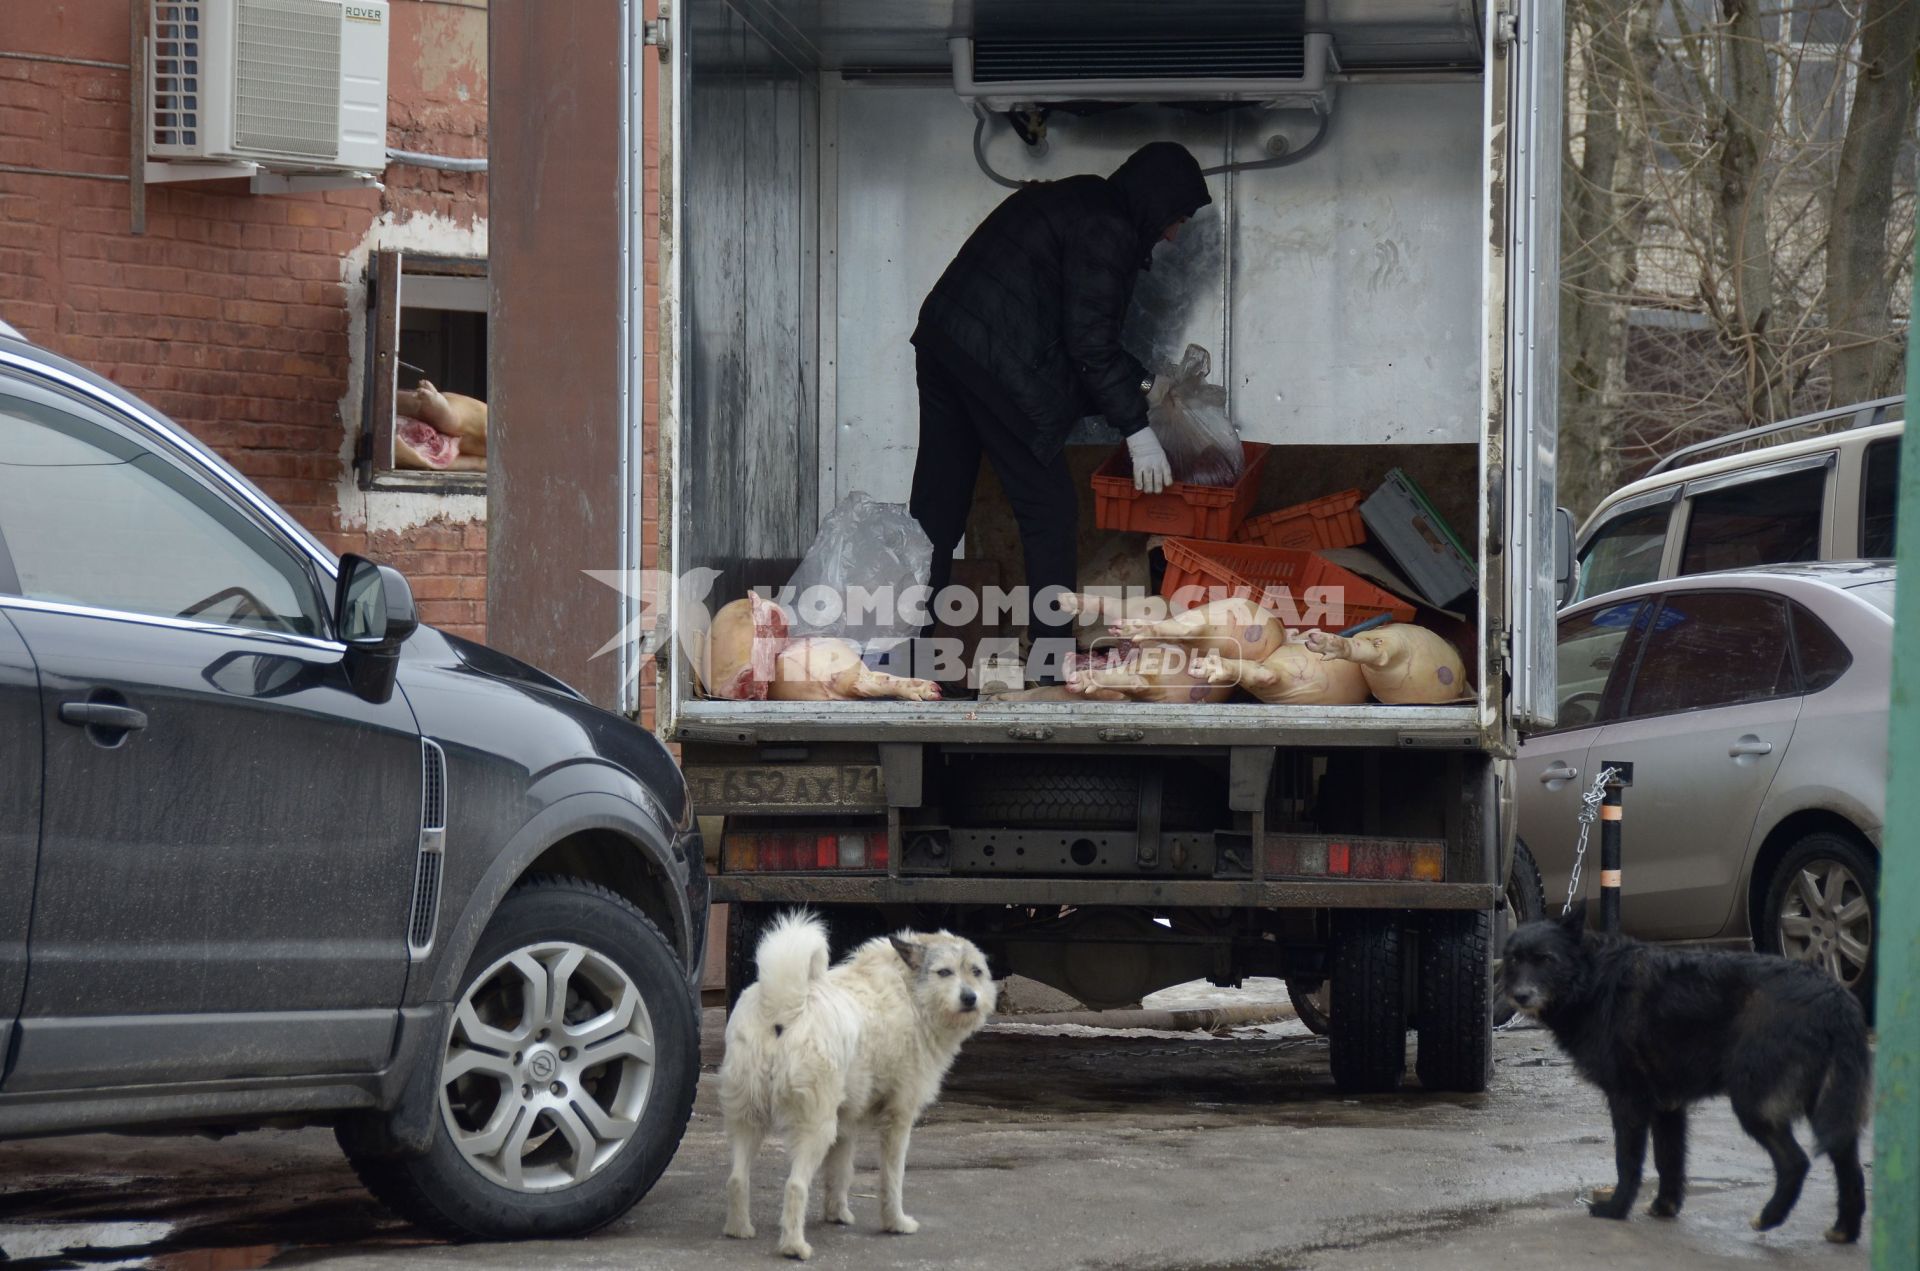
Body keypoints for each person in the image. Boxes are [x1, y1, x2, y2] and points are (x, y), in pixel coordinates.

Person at [908, 141, 1212, 682]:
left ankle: (909, 658)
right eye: (1176, 220)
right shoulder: (1110, 229)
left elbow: (1074, 330)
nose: (1172, 236)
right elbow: (1088, 344)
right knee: (1048, 510)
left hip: (946, 340)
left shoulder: (1083, 201)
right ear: (1156, 202)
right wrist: (1136, 430)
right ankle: (1051, 666)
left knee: (939, 511)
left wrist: (1143, 382)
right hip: (995, 359)